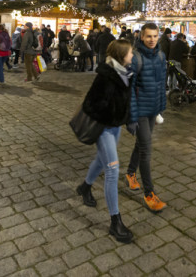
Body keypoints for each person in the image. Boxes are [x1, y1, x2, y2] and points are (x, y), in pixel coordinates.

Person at [76, 39, 135, 244]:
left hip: (115, 127)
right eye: (130, 53)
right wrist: (108, 115)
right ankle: (115, 222)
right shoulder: (106, 76)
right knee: (112, 170)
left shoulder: (125, 73)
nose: (133, 56)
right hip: (104, 129)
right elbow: (90, 104)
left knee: (101, 161)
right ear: (121, 56)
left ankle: (84, 187)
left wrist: (128, 120)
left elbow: (125, 101)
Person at [124, 22, 168, 213]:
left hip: (152, 109)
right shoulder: (135, 58)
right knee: (147, 150)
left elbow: (161, 84)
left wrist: (161, 107)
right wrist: (131, 116)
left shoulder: (161, 56)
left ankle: (130, 173)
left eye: (155, 36)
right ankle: (149, 193)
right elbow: (129, 89)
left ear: (158, 36)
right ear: (141, 36)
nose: (151, 40)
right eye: (148, 36)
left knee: (141, 144)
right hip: (140, 110)